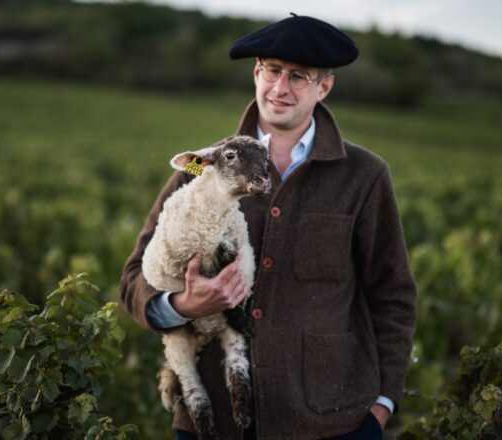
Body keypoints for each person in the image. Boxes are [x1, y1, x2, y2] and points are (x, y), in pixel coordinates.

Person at [120, 13, 417, 440]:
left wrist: (383, 405)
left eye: (299, 76)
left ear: (324, 87)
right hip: (213, 422)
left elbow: (393, 294)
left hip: (331, 422)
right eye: (273, 71)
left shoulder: (364, 176)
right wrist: (182, 305)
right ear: (257, 73)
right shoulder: (201, 170)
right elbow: (133, 279)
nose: (281, 88)